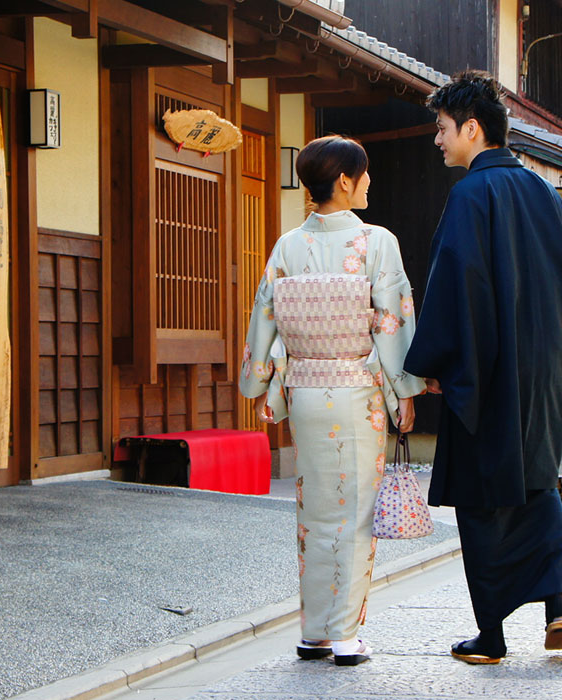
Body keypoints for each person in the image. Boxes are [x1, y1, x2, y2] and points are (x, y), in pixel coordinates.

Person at [404, 71, 562, 664]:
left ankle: (490, 636)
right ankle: (557, 608)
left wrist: (436, 362)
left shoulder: (470, 194)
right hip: (546, 371)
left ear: (471, 128)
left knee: (483, 495)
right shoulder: (543, 192)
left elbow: (457, 283)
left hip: (489, 373)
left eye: (441, 129)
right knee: (538, 483)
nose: (437, 141)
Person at [240, 135, 424, 666]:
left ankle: (314, 631)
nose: (368, 183)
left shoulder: (287, 246)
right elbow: (391, 323)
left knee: (313, 512)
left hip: (304, 392)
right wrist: (404, 391)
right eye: (363, 174)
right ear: (344, 181)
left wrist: (261, 385)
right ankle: (344, 635)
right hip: (358, 393)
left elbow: (264, 320)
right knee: (355, 513)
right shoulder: (377, 242)